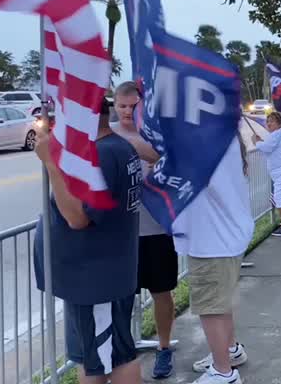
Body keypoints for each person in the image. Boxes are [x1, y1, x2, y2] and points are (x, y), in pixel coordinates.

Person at [33, 98, 142, 384]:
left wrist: (51, 164)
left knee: (113, 358)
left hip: (96, 281)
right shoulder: (116, 147)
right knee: (95, 357)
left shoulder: (102, 156)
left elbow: (77, 218)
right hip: (98, 277)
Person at [173, 132, 253, 384]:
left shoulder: (205, 138)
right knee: (221, 301)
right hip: (224, 235)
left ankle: (223, 372)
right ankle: (229, 351)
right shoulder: (221, 133)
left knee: (211, 307)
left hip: (213, 239)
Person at [110, 81, 177, 379]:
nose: (127, 112)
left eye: (132, 106)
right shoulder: (107, 135)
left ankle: (164, 348)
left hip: (157, 228)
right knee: (121, 298)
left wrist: (147, 151)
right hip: (121, 235)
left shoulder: (157, 134)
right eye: (121, 106)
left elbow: (174, 168)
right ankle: (123, 352)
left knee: (162, 291)